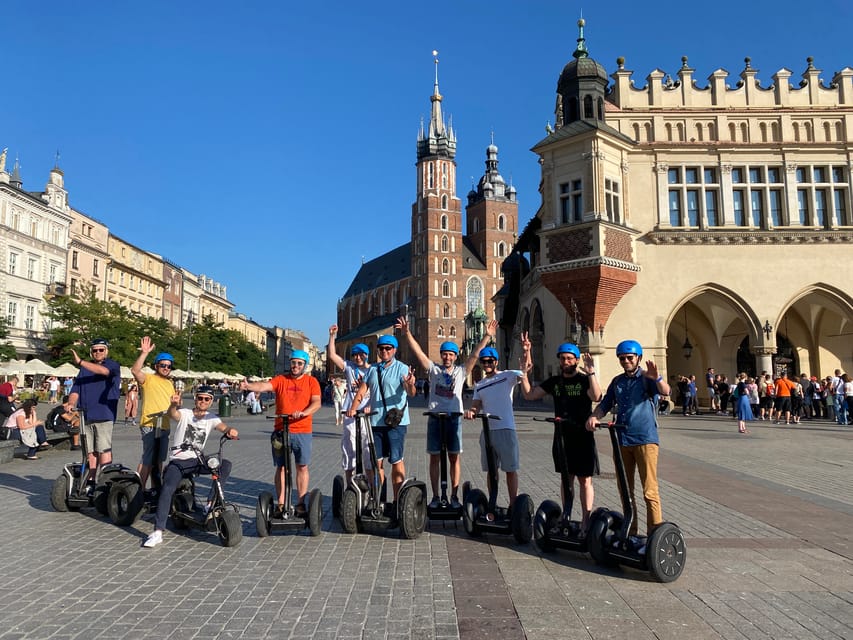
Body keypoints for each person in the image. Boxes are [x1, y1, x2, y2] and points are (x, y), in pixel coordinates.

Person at [396, 316, 496, 509]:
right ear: (441, 356)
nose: (447, 357)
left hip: (454, 419)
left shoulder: (460, 371)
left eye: (451, 354)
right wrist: (407, 333)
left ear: (455, 356)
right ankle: (435, 496)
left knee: (453, 457)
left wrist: (486, 337)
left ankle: (455, 495)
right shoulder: (433, 370)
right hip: (435, 417)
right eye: (445, 354)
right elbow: (419, 354)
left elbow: (475, 355)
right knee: (434, 457)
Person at [585, 339, 670, 546]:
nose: (626, 361)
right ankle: (631, 531)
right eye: (622, 358)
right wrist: (595, 416)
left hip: (645, 440)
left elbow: (666, 391)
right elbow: (604, 404)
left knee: (649, 490)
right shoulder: (618, 382)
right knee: (625, 489)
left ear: (638, 358)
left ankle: (654, 536)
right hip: (622, 440)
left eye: (629, 358)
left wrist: (657, 377)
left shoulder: (647, 379)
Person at [520, 338, 602, 534]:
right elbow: (529, 395)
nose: (565, 362)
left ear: (576, 361)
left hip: (582, 436)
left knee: (585, 480)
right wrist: (523, 373)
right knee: (567, 479)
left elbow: (597, 396)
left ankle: (585, 520)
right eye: (562, 359)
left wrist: (591, 372)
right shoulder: (555, 382)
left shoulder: (583, 380)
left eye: (569, 359)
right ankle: (566, 516)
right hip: (562, 437)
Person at [142, 386, 238, 548]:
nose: (203, 401)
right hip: (179, 461)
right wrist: (173, 405)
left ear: (211, 401)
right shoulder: (185, 413)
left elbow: (223, 427)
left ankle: (210, 502)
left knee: (224, 465)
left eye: (207, 399)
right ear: (195, 399)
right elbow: (173, 414)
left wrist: (230, 431)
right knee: (167, 489)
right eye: (200, 398)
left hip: (197, 461)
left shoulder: (212, 418)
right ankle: (158, 531)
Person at [241, 350, 321, 516]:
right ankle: (282, 503)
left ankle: (300, 503)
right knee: (281, 467)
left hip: (302, 430)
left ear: (305, 365)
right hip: (280, 430)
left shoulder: (311, 381)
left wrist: (304, 413)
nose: (296, 366)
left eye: (299, 363)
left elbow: (317, 402)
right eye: (293, 362)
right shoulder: (281, 379)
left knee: (302, 466)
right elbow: (264, 386)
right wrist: (249, 386)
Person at [347, 335, 417, 501]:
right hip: (376, 422)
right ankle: (379, 500)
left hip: (395, 423)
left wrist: (410, 384)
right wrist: (352, 408)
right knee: (376, 462)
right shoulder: (372, 369)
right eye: (381, 348)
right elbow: (362, 391)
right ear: (377, 351)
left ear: (394, 350)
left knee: (395, 461)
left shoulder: (402, 368)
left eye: (388, 348)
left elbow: (411, 393)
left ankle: (398, 500)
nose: (384, 351)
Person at [463, 346, 525, 514]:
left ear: (496, 362)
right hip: (488, 431)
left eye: (490, 361)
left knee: (510, 470)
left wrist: (526, 350)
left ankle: (514, 505)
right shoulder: (480, 385)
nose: (487, 364)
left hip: (506, 429)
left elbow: (525, 370)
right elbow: (476, 406)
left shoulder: (507, 376)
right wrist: (471, 412)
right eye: (484, 362)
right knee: (491, 471)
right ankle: (493, 503)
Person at [65, 338, 121, 492]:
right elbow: (76, 389)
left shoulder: (112, 365)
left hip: (104, 414)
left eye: (101, 350)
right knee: (89, 451)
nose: (97, 353)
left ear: (106, 351)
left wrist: (80, 361)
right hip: (86, 415)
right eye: (95, 350)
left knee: (103, 448)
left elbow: (104, 372)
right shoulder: (84, 369)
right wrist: (71, 403)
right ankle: (90, 481)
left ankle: (105, 481)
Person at [327, 326, 371, 485]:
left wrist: (370, 407)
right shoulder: (349, 368)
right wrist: (332, 336)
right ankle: (350, 484)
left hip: (367, 415)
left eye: (361, 355)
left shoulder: (373, 371)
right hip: (350, 414)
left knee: (368, 448)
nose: (357, 358)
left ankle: (371, 486)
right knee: (349, 447)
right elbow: (332, 355)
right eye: (355, 355)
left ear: (366, 356)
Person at [131, 337, 176, 493]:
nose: (165, 368)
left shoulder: (170, 383)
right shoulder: (148, 378)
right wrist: (144, 353)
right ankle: (138, 490)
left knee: (159, 459)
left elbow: (172, 404)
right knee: (148, 458)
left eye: (168, 366)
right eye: (162, 365)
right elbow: (135, 370)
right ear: (156, 366)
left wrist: (177, 404)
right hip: (150, 424)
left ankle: (156, 489)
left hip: (164, 425)